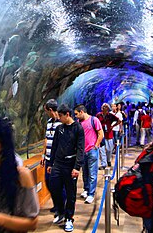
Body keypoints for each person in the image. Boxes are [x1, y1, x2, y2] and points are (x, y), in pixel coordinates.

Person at [48, 104, 85, 232]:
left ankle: (69, 218)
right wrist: (50, 163)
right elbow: (54, 146)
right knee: (54, 187)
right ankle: (60, 212)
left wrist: (77, 167)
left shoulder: (78, 128)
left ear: (67, 115)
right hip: (58, 163)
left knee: (70, 193)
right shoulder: (59, 129)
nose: (59, 118)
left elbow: (81, 149)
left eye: (60, 116)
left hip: (70, 165)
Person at [74, 104, 103, 204]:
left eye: (77, 114)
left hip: (92, 150)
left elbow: (101, 134)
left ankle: (91, 193)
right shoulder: (78, 123)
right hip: (82, 151)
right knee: (85, 172)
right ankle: (86, 189)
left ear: (82, 112)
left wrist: (95, 146)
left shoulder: (94, 120)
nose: (76, 116)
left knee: (92, 173)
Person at [39, 99, 63, 213]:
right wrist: (43, 154)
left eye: (46, 111)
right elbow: (46, 139)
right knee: (48, 182)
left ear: (50, 110)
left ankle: (62, 207)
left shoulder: (62, 122)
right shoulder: (49, 122)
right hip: (48, 158)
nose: (46, 113)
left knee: (58, 184)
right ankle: (57, 204)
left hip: (57, 159)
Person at [96, 103, 120, 169]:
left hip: (109, 134)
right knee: (102, 150)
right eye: (103, 107)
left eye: (106, 107)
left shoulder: (110, 115)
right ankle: (103, 164)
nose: (104, 108)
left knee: (109, 149)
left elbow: (119, 121)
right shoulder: (98, 115)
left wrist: (113, 126)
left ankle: (108, 160)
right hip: (101, 135)